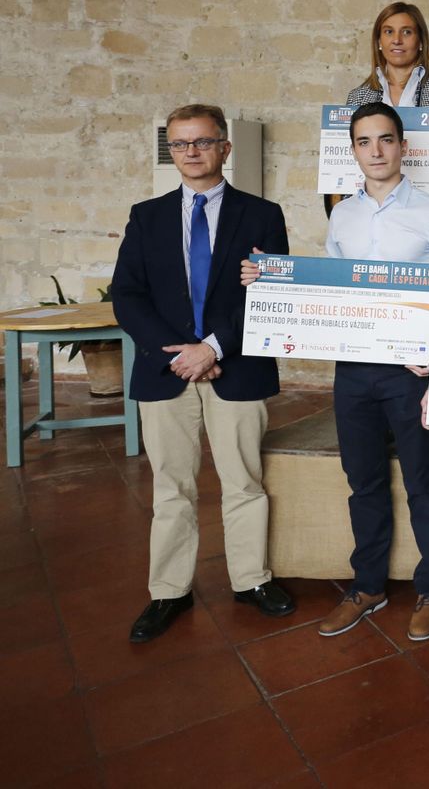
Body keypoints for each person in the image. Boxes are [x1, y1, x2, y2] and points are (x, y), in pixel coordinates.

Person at [242, 103, 429, 642]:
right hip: (355, 371)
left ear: (403, 145)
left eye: (386, 139)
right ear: (354, 150)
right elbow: (332, 291)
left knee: (423, 481)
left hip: (410, 370)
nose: (377, 151)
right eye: (365, 142)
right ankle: (368, 585)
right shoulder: (342, 215)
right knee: (362, 480)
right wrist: (269, 280)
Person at [110, 104, 295, 642]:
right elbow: (127, 294)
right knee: (172, 486)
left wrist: (212, 348)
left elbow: (273, 289)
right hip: (166, 372)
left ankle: (251, 579)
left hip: (235, 367)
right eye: (181, 144)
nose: (192, 152)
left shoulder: (262, 214)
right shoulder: (146, 216)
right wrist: (180, 355)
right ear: (171, 151)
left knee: (244, 480)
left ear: (225, 148)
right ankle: (169, 590)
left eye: (203, 142)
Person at [345, 2, 429, 108]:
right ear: (379, 41)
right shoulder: (357, 98)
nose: (397, 40)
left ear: (420, 41)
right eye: (389, 32)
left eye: (406, 32)